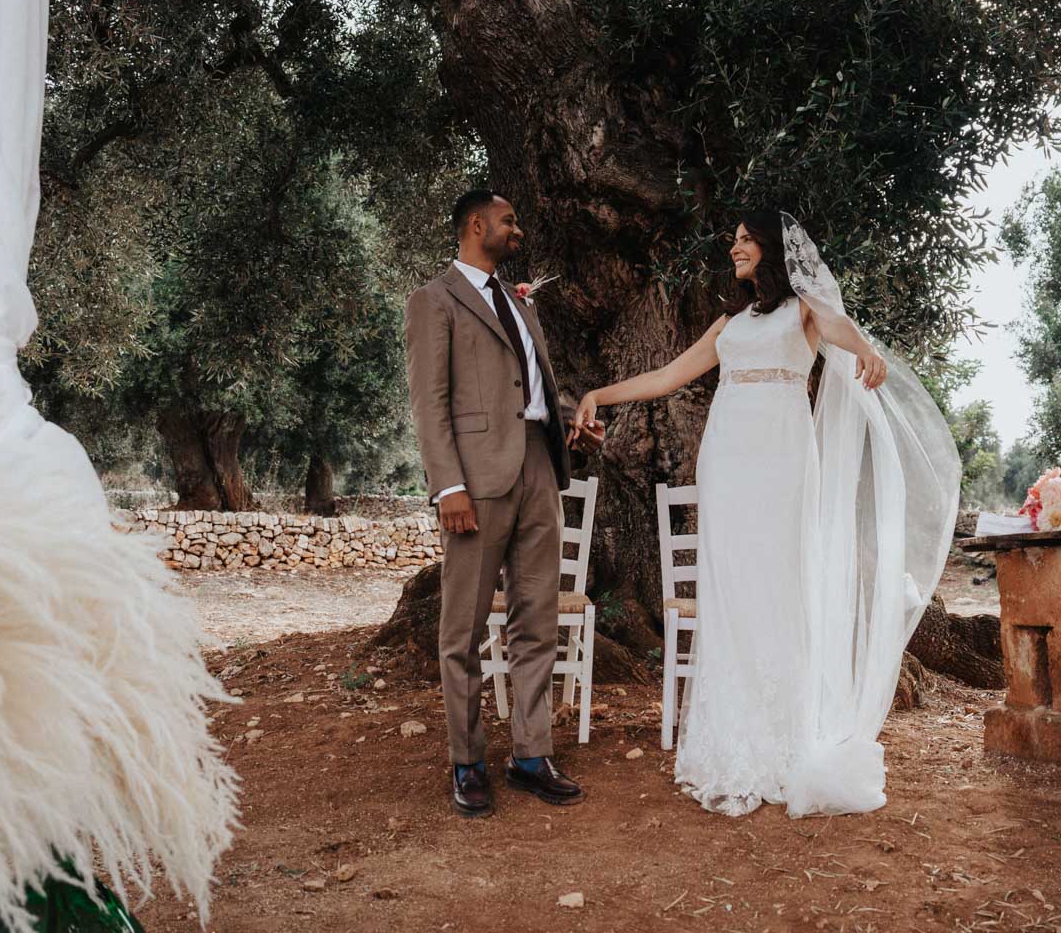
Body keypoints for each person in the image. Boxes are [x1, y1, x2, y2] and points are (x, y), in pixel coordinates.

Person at [569, 210, 960, 817]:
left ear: (772, 249)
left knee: (778, 588)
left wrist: (864, 350)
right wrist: (599, 394)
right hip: (726, 460)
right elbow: (669, 375)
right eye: (734, 240)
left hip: (782, 458)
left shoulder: (803, 309)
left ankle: (783, 740)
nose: (735, 248)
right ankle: (730, 740)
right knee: (729, 591)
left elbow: (839, 325)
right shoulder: (729, 322)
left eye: (746, 240)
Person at [404, 189, 600, 818]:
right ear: (475, 224)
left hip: (540, 469)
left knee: (536, 618)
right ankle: (467, 762)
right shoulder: (434, 300)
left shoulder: (519, 301)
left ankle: (531, 755)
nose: (517, 229)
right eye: (508, 220)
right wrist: (448, 486)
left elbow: (528, 390)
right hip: (476, 483)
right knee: (461, 629)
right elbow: (430, 403)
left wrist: (569, 423)